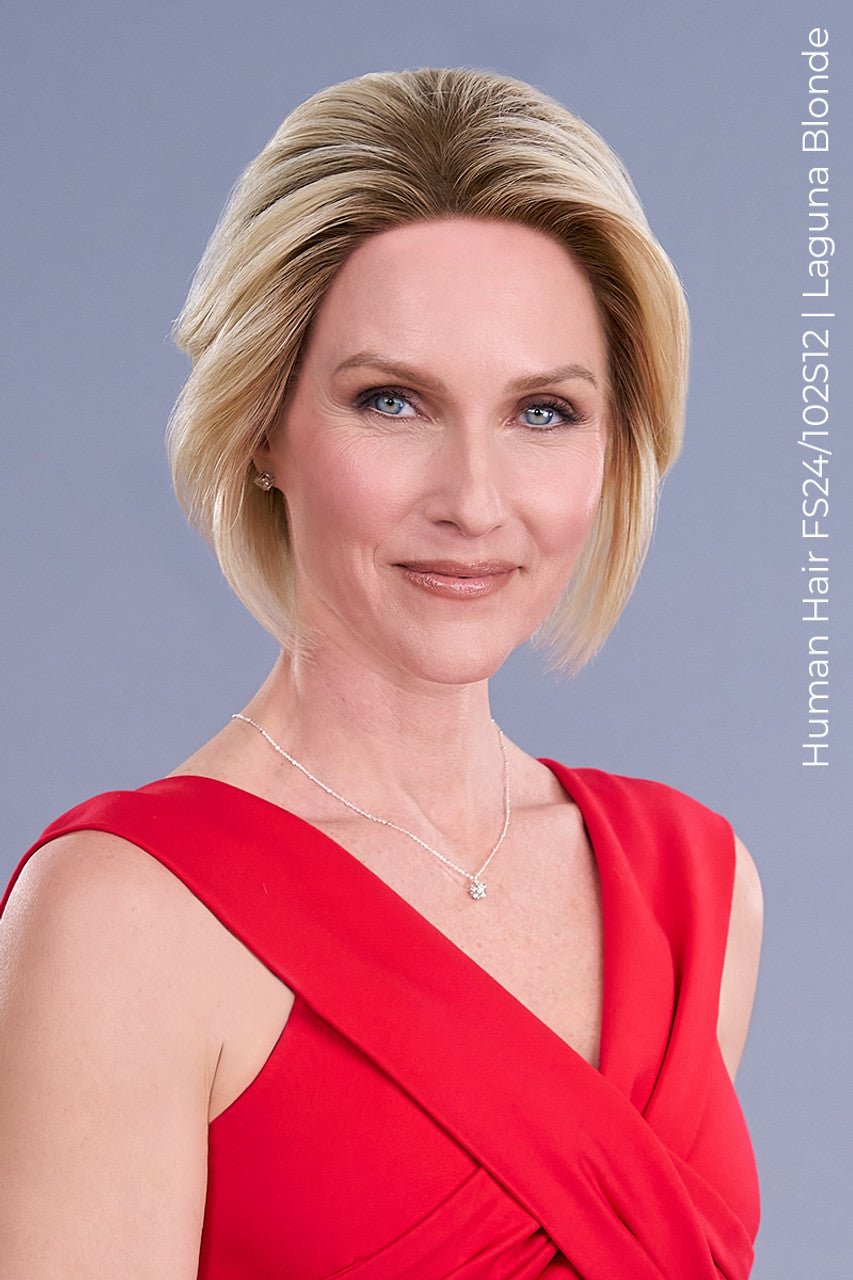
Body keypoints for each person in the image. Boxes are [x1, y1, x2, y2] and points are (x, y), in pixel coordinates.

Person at [0, 65, 763, 1278]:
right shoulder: (121, 921)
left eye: (543, 412)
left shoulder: (695, 888)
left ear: (615, 443)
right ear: (263, 423)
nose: (473, 500)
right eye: (393, 400)